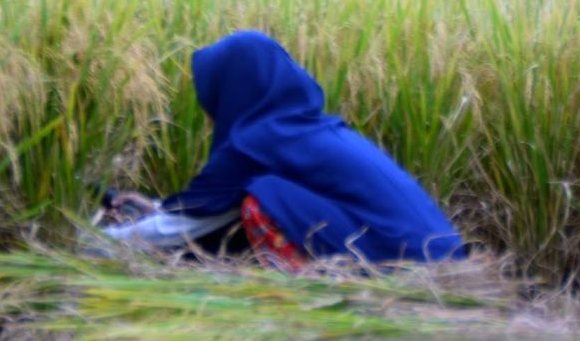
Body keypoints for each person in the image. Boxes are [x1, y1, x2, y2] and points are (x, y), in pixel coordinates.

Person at [99, 31, 466, 272]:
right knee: (263, 196)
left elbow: (185, 225)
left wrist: (92, 242)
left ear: (232, 93)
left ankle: (312, 306)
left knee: (262, 199)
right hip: (441, 258)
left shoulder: (258, 140)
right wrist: (155, 207)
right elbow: (202, 208)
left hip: (408, 267)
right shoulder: (305, 129)